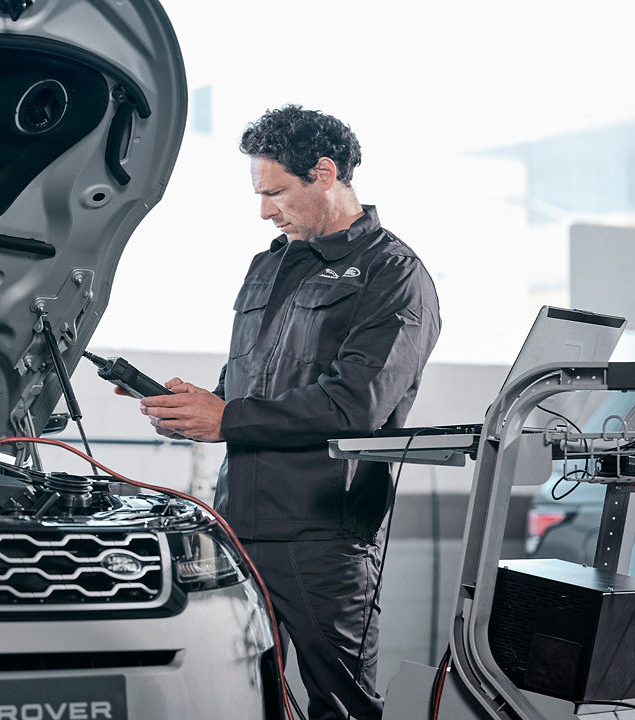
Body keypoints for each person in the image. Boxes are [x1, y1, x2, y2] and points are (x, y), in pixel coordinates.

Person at [136, 104, 440, 720]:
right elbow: (243, 386)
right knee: (247, 700)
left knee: (341, 707)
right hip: (236, 525)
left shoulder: (395, 275)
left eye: (275, 192)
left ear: (324, 173)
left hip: (321, 536)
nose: (265, 211)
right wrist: (193, 408)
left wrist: (227, 418)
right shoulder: (269, 264)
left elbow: (356, 404)